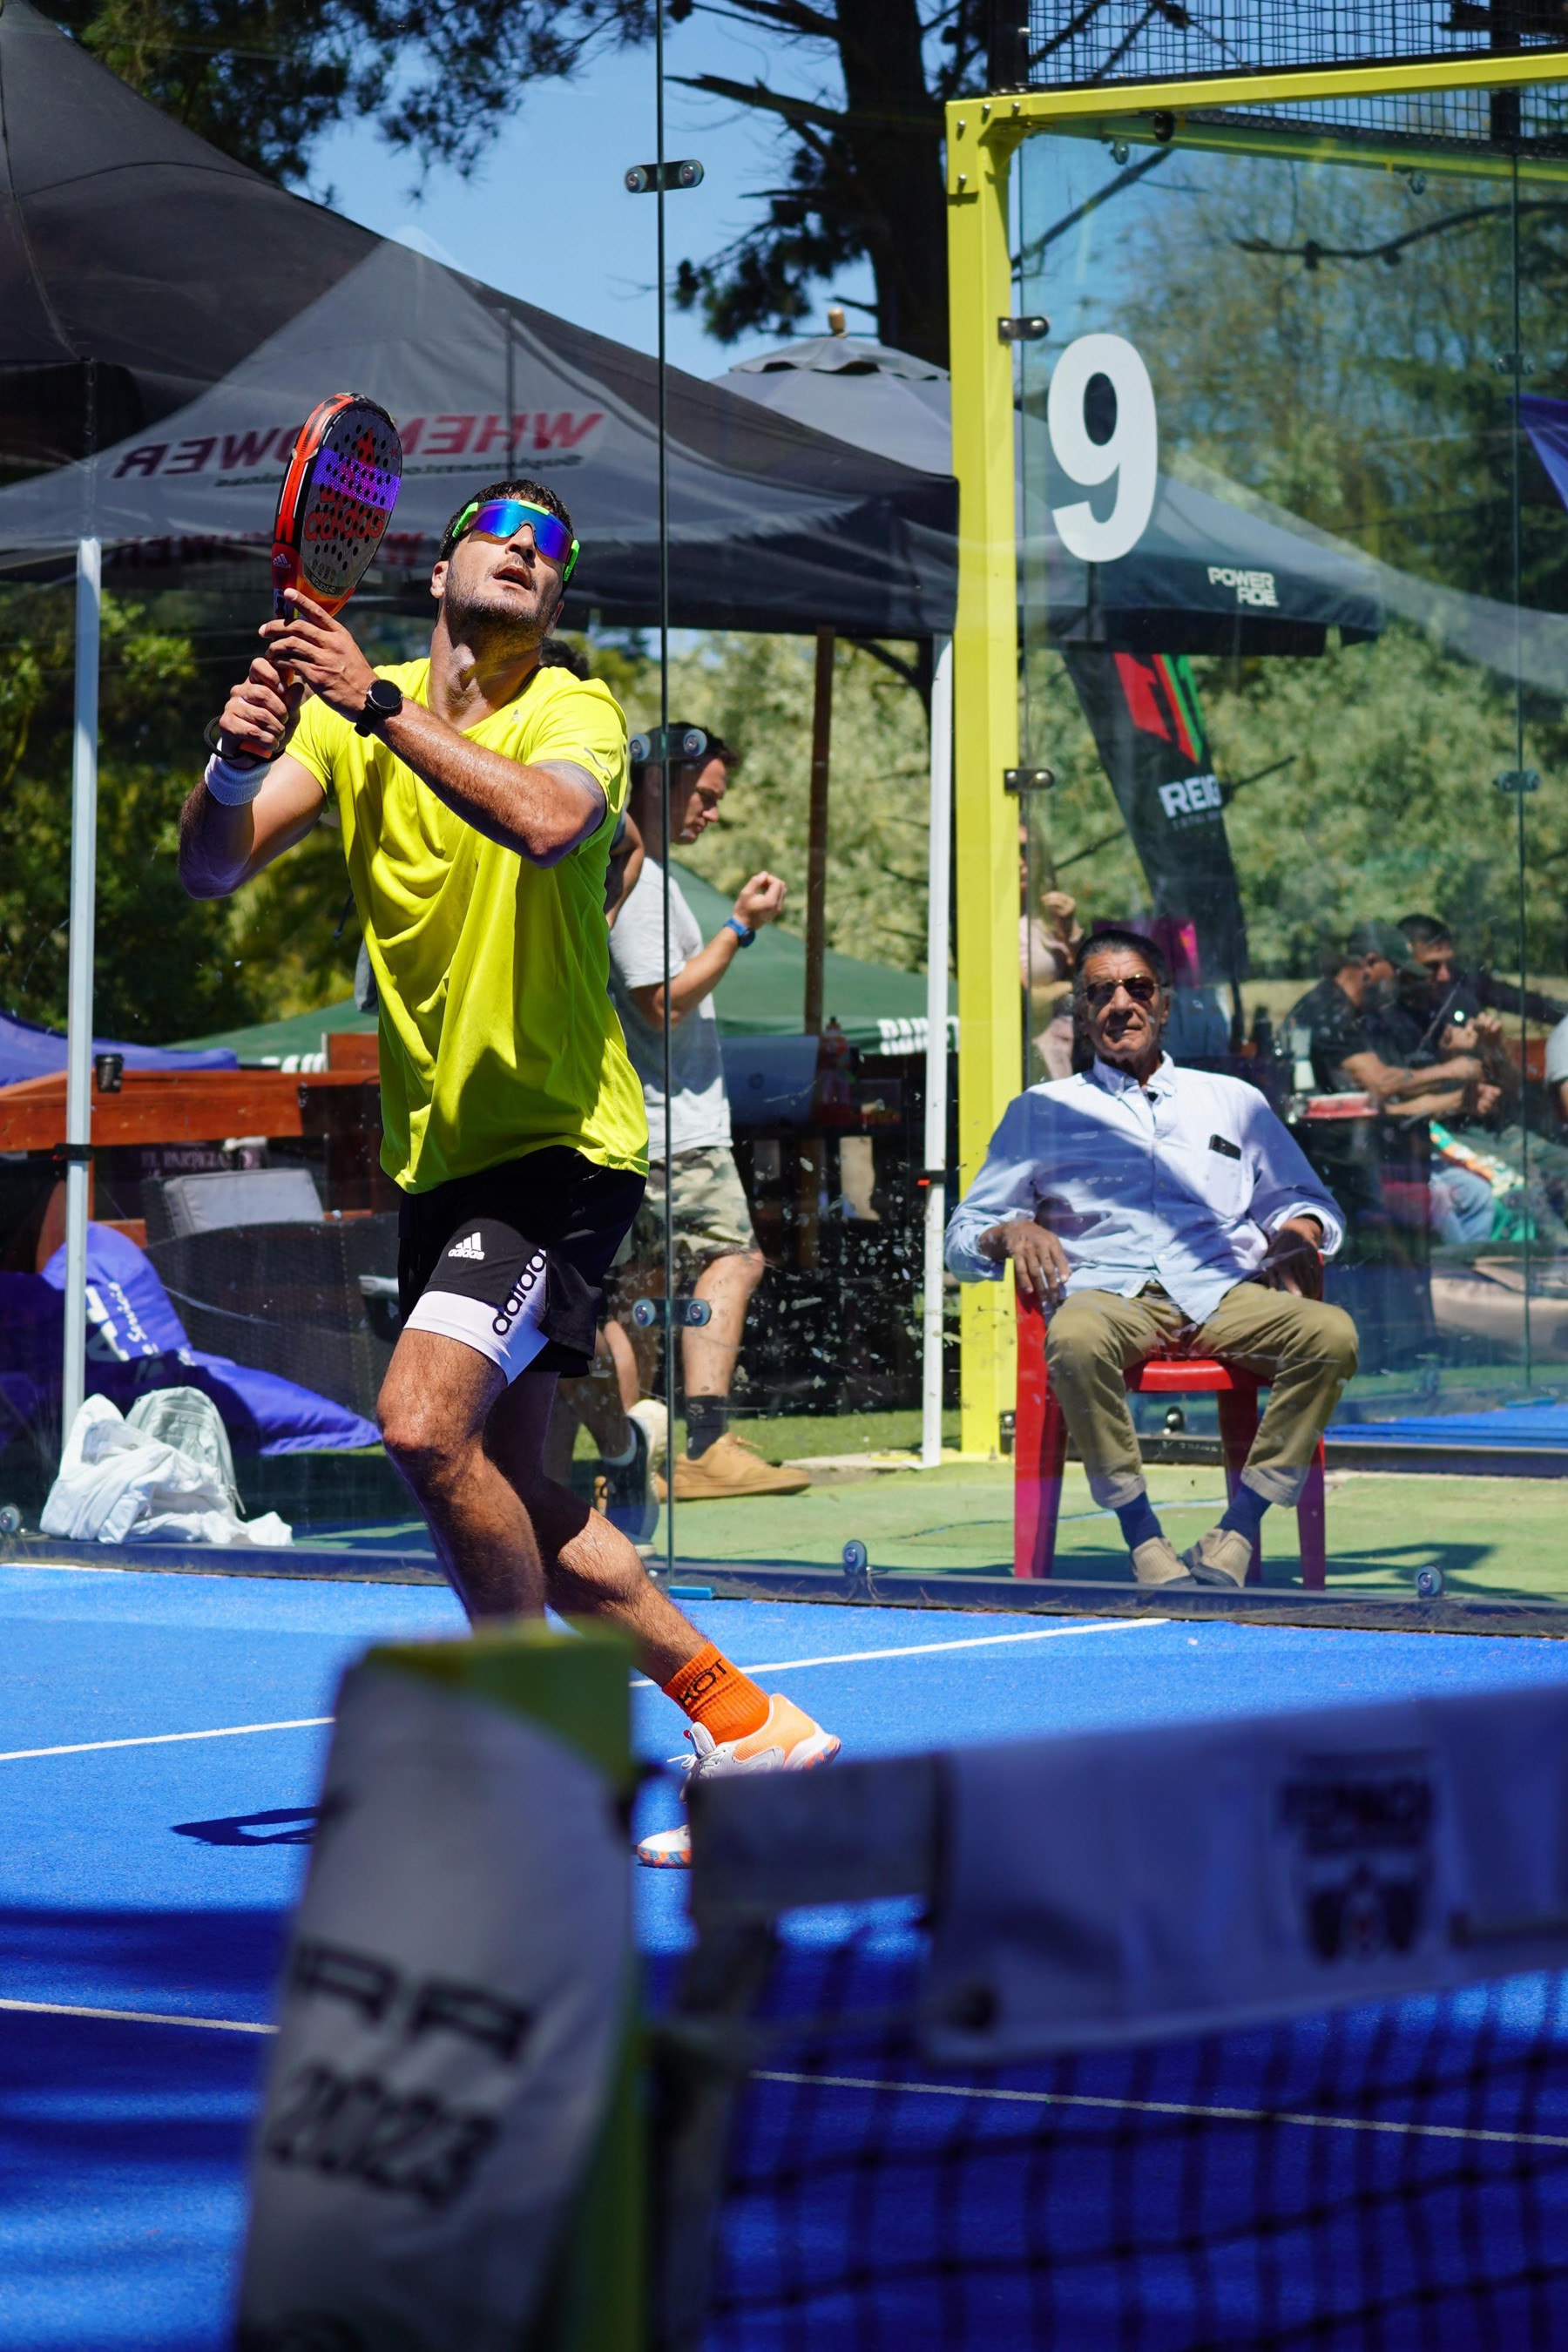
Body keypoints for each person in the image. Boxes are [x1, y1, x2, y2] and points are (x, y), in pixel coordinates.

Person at [177, 476, 836, 1867]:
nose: (531, 553)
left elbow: (548, 820)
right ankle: (749, 1723)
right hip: (444, 1161)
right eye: (504, 531)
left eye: (554, 549)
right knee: (511, 1487)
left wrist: (374, 705)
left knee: (421, 1428)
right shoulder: (354, 718)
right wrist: (234, 766)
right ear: (440, 568)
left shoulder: (568, 710)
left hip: (560, 1149)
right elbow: (210, 870)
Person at [946, 926, 1353, 1590]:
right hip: (1108, 1296)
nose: (1121, 1004)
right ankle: (1142, 1534)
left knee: (1331, 1336)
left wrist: (1296, 1232)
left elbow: (1305, 1202)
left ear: (1163, 1004)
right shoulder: (1042, 1111)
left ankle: (1239, 1528)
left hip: (1225, 1292)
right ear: (1082, 1014)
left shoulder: (1233, 1100)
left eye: (1137, 988)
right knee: (1074, 1338)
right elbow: (965, 1235)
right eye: (1100, 992)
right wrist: (1011, 1231)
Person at [607, 723, 810, 1501]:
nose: (713, 812)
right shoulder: (641, 880)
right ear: (662, 782)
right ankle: (702, 1445)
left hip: (641, 1122)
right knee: (734, 1259)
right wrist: (739, 929)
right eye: (707, 795)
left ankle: (630, 1460)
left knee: (636, 1289)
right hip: (672, 1127)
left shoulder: (635, 870)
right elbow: (661, 1004)